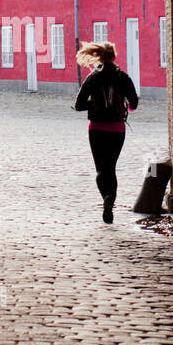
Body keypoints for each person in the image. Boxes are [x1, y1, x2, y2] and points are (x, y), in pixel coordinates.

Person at [73, 41, 138, 223]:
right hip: (117, 129)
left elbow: (79, 105)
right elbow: (134, 104)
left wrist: (93, 105)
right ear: (114, 57)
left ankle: (106, 199)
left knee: (102, 169)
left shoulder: (93, 77)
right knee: (111, 166)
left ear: (99, 57)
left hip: (97, 128)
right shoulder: (123, 77)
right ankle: (111, 199)